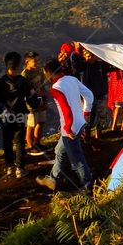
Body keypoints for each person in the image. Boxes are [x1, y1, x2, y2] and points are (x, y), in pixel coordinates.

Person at [36, 58, 94, 195]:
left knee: (77, 159)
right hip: (79, 123)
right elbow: (89, 95)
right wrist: (87, 112)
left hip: (70, 128)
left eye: (46, 74)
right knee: (60, 151)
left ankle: (88, 186)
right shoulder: (72, 79)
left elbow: (66, 110)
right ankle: (53, 179)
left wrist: (68, 128)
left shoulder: (55, 88)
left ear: (50, 73)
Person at [0, 52, 32, 178]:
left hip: (5, 117)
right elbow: (32, 99)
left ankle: (9, 167)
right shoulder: (24, 82)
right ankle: (20, 168)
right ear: (19, 65)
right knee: (20, 141)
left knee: (7, 141)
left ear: (6, 65)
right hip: (20, 115)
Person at [80, 47, 109, 147]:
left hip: (101, 95)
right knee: (89, 118)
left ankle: (98, 137)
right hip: (88, 98)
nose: (90, 58)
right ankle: (87, 137)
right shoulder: (84, 67)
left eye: (92, 55)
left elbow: (114, 66)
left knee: (102, 116)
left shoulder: (101, 65)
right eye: (88, 56)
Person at [22, 51, 49, 156]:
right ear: (27, 62)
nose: (37, 62)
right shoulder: (25, 74)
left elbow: (42, 85)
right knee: (31, 124)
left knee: (41, 122)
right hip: (31, 103)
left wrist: (44, 99)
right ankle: (30, 146)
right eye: (35, 61)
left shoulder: (39, 71)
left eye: (38, 60)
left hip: (40, 100)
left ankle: (37, 143)